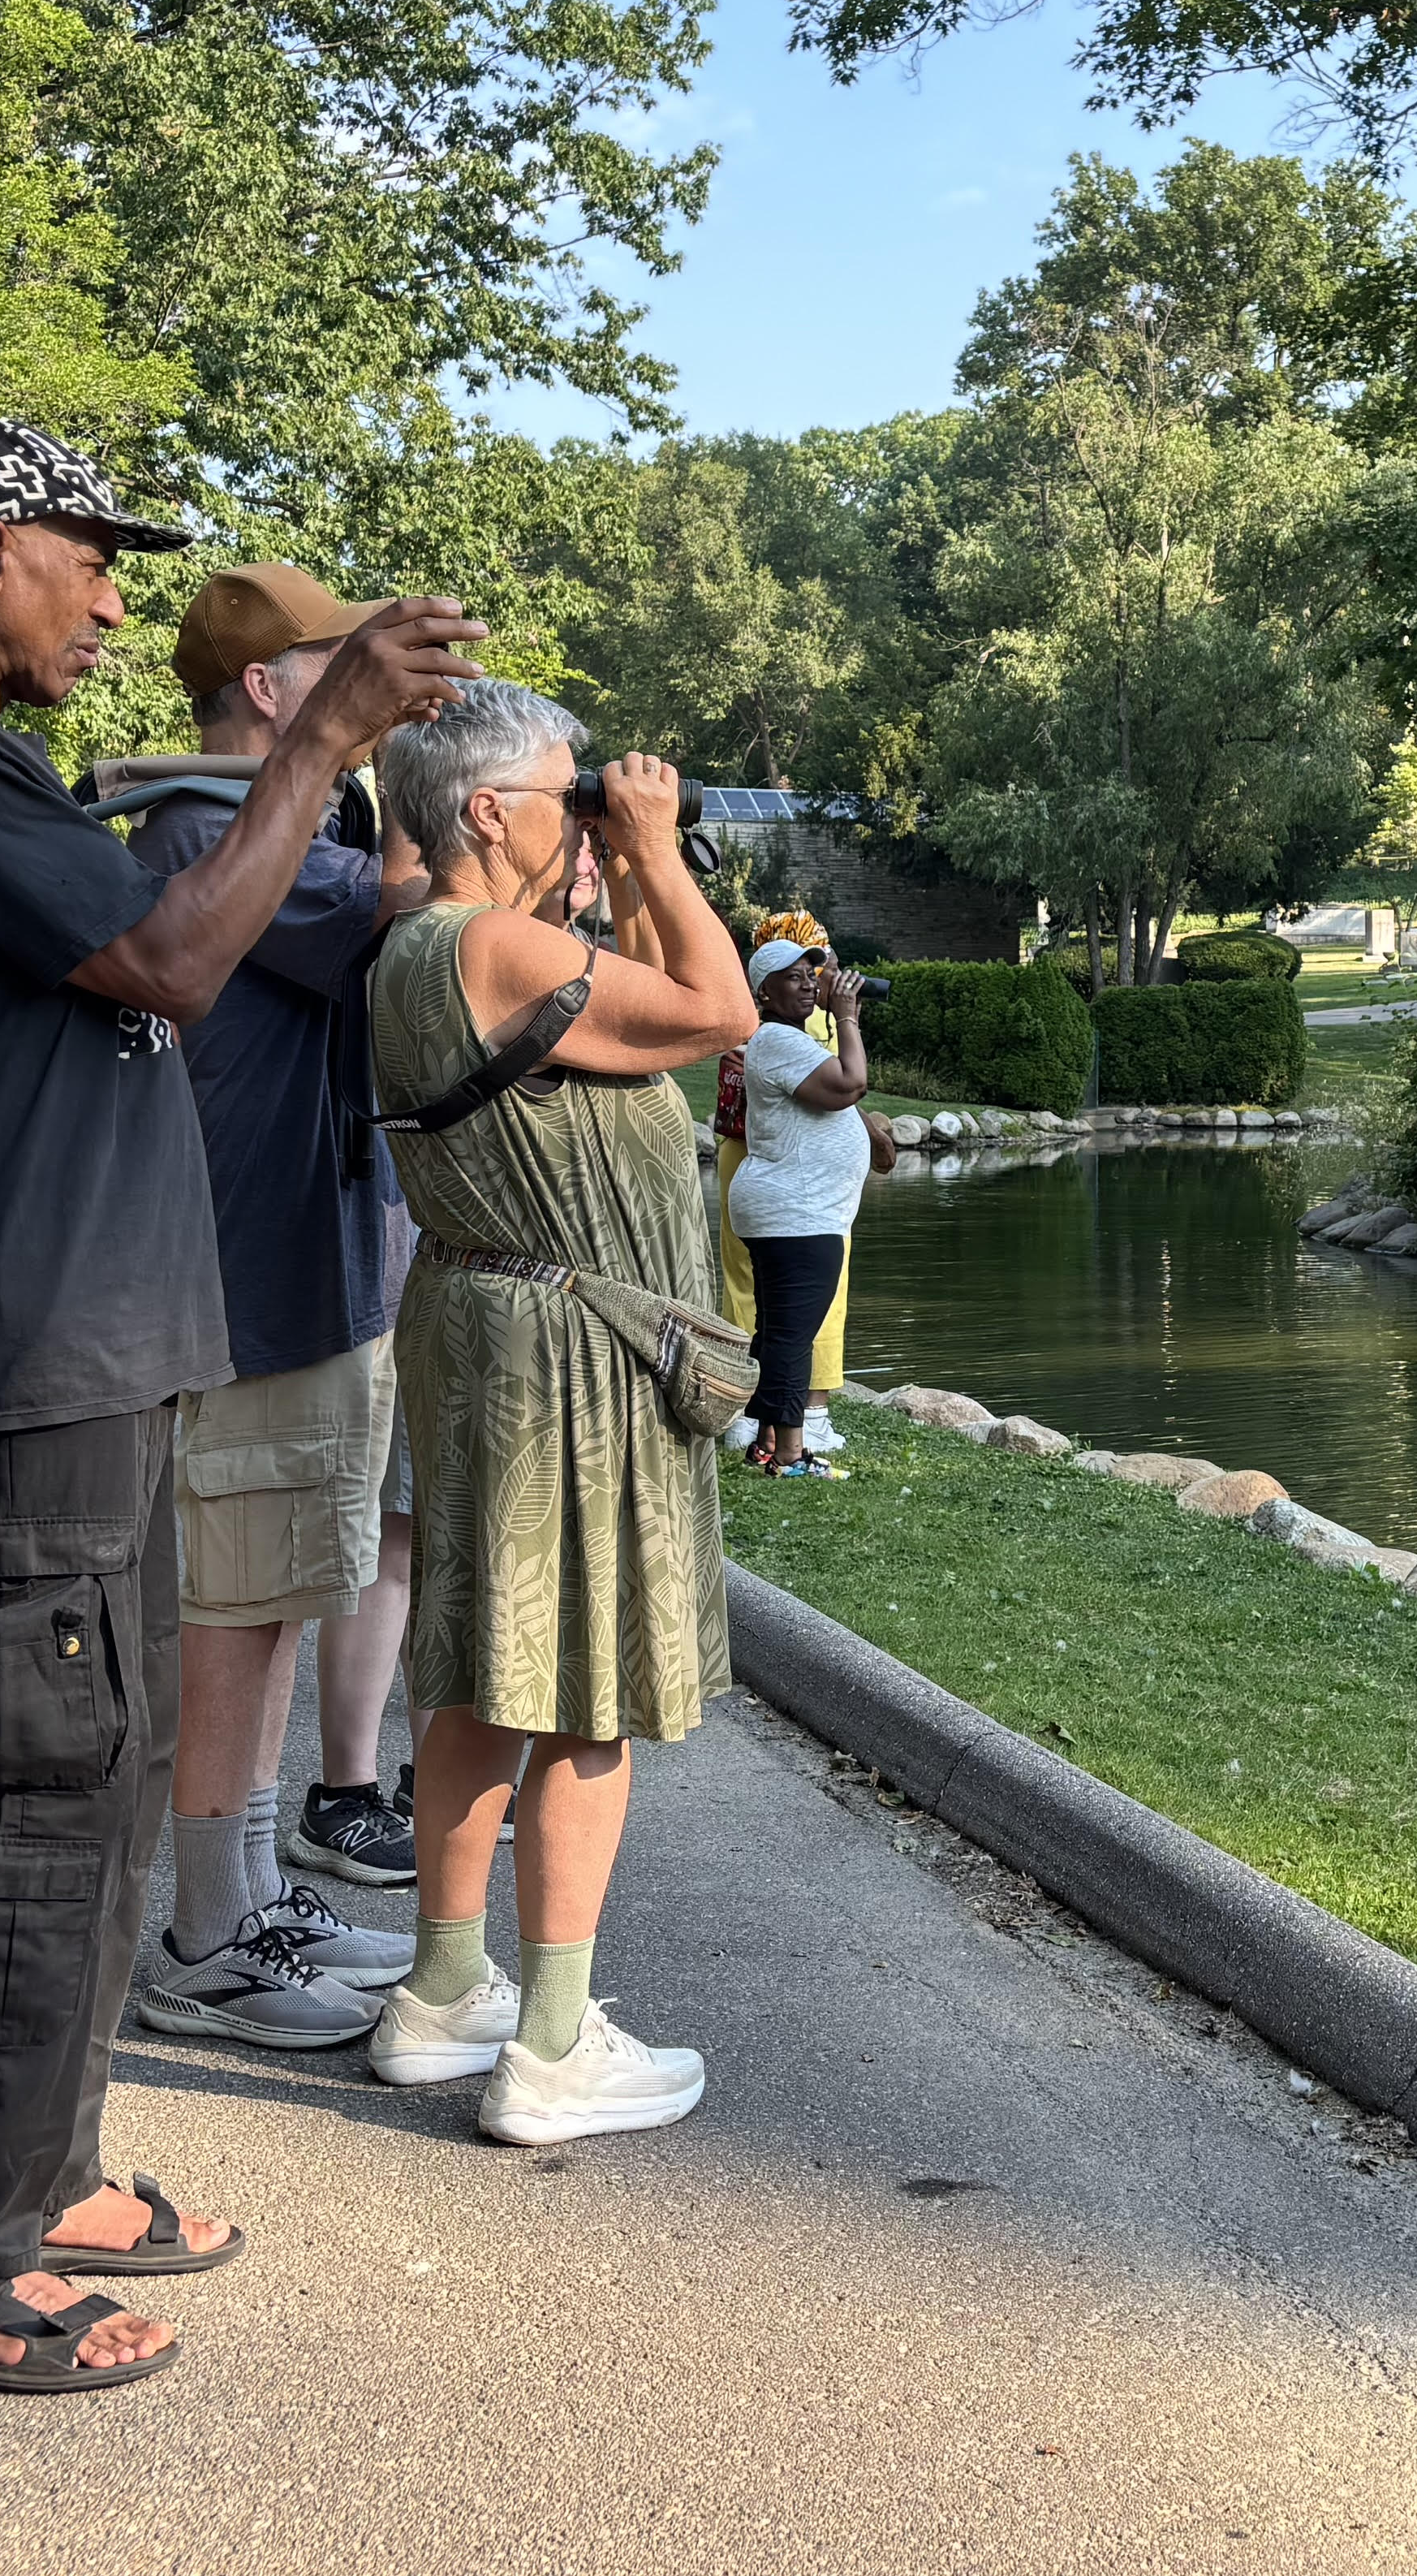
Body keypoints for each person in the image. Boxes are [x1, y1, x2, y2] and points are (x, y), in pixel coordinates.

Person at [0, 420, 477, 2394]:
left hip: (100, 1347)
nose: (113, 598)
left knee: (87, 1784)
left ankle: (48, 2163)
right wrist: (322, 744)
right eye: (89, 558)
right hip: (19, 1348)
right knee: (21, 1791)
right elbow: (172, 961)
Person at [364, 680, 756, 2140]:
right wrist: (652, 846)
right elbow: (720, 1011)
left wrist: (619, 865)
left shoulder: (417, 944)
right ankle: (550, 2044)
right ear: (486, 810)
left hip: (484, 1320)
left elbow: (639, 1030)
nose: (586, 799)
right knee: (586, 1691)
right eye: (565, 785)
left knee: (474, 1668)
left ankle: (443, 1988)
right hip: (570, 1358)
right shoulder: (497, 939)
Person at [116, 562, 433, 2048]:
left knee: (284, 1584)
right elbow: (405, 916)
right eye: (335, 664)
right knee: (231, 1605)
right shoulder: (217, 824)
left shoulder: (272, 818)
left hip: (314, 1284)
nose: (361, 691)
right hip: (245, 1294)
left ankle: (249, 1886)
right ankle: (202, 1936)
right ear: (265, 686)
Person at [725, 937, 873, 1475]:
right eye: (793, 976)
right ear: (764, 991)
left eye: (813, 972)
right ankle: (790, 1455)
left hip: (794, 1210)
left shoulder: (782, 1041)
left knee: (779, 1329)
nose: (810, 981)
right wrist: (849, 1018)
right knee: (792, 1336)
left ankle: (766, 1439)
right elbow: (850, 1082)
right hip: (797, 1213)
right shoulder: (777, 1040)